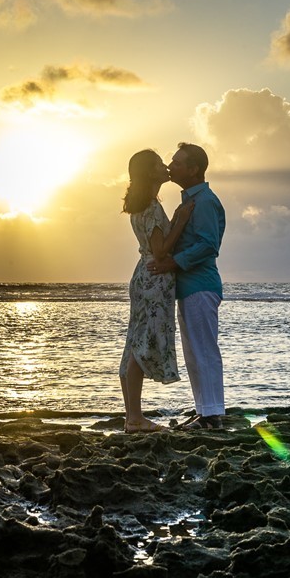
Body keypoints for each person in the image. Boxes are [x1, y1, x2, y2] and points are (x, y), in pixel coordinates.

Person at [148, 143, 226, 430]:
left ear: (194, 169)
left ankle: (212, 414)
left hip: (200, 285)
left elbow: (208, 245)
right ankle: (205, 411)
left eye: (177, 162)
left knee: (203, 350)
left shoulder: (203, 201)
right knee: (194, 352)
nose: (171, 166)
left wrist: (172, 263)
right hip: (189, 286)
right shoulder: (189, 200)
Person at [120, 149, 195, 433]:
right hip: (154, 277)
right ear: (149, 172)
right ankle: (136, 419)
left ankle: (131, 417)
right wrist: (180, 220)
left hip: (142, 275)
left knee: (133, 342)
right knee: (143, 343)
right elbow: (160, 251)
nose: (166, 167)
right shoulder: (150, 207)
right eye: (159, 164)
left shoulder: (140, 205)